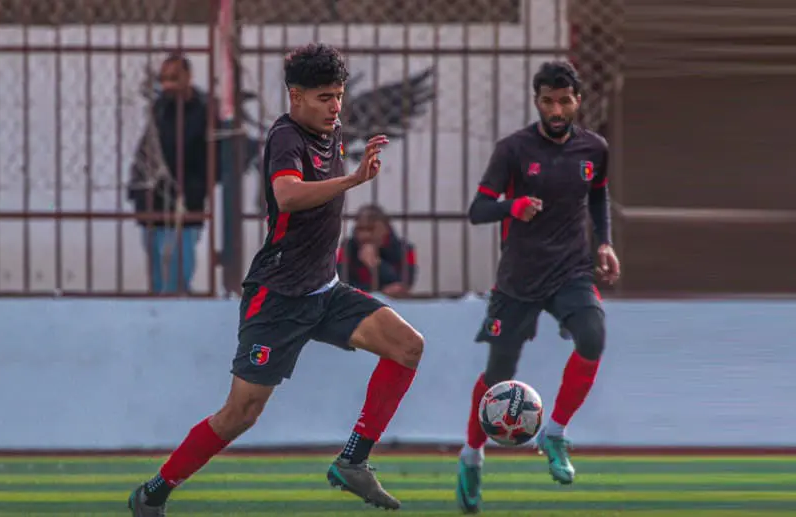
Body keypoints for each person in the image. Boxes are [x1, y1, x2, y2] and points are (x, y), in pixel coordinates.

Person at [128, 43, 424, 516]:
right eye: (325, 97)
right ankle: (155, 491)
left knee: (407, 346)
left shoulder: (333, 131)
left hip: (324, 290)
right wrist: (353, 181)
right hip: (278, 297)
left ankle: (353, 460)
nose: (335, 106)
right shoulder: (285, 137)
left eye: (339, 95)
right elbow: (287, 196)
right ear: (296, 96)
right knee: (240, 414)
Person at [455, 60, 620, 514]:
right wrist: (513, 206)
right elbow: (478, 210)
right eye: (548, 101)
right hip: (519, 279)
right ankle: (471, 455)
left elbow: (598, 195)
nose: (557, 110)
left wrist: (604, 243)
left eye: (565, 101)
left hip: (571, 271)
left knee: (593, 337)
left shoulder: (594, 149)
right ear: (537, 102)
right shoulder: (513, 150)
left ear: (577, 101)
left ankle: (556, 432)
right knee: (497, 376)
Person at [127, 53, 213, 294]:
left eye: (174, 78)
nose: (167, 85)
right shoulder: (160, 107)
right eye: (163, 79)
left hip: (185, 203)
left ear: (188, 76)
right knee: (158, 278)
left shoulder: (203, 110)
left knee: (177, 279)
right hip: (153, 200)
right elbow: (148, 150)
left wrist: (193, 189)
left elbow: (210, 157)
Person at [337, 204, 417, 297]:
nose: (365, 235)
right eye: (360, 229)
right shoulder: (347, 248)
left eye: (371, 229)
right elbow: (340, 283)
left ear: (386, 229)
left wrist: (377, 264)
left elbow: (404, 285)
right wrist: (379, 291)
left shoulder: (406, 250)